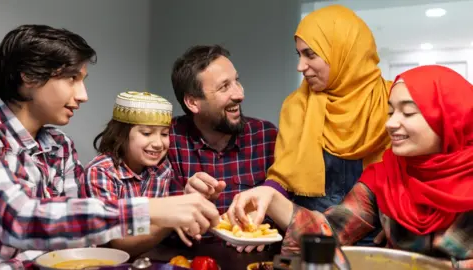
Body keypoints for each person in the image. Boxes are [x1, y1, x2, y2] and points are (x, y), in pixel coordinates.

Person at [0, 24, 219, 269]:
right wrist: (151, 209)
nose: (83, 95)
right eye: (72, 79)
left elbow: (77, 232)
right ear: (29, 75)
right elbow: (19, 219)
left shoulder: (60, 146)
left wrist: (178, 209)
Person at [228, 65, 473, 269]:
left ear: (450, 119)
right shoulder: (385, 176)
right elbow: (329, 232)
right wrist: (271, 198)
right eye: (390, 112)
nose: (391, 123)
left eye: (408, 113)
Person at [263, 5, 392, 215]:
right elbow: (282, 178)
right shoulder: (296, 105)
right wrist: (261, 201)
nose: (300, 66)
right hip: (308, 234)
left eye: (310, 55)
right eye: (299, 55)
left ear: (343, 51)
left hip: (376, 237)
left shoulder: (393, 101)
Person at [168, 44, 278, 252]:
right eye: (224, 87)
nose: (239, 94)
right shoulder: (167, 140)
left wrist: (265, 229)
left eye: (237, 81)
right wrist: (185, 201)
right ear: (193, 102)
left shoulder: (267, 136)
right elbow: (155, 222)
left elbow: (287, 207)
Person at [82, 91, 197, 257]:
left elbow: (153, 227)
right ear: (121, 134)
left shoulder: (162, 169)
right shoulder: (100, 172)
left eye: (164, 134)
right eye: (147, 133)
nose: (158, 143)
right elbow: (117, 244)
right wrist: (172, 219)